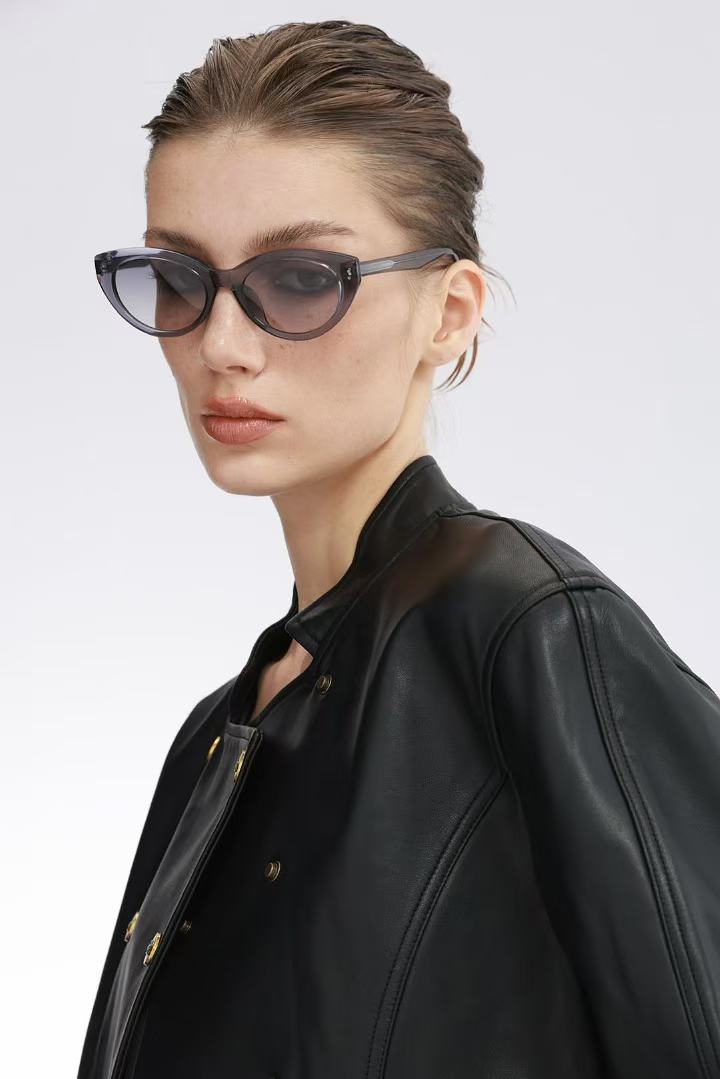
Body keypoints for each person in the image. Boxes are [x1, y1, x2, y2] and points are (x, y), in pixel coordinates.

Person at [79, 19, 720, 1079]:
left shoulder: (533, 629)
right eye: (180, 277)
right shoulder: (214, 738)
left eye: (300, 278)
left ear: (449, 312)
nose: (221, 346)